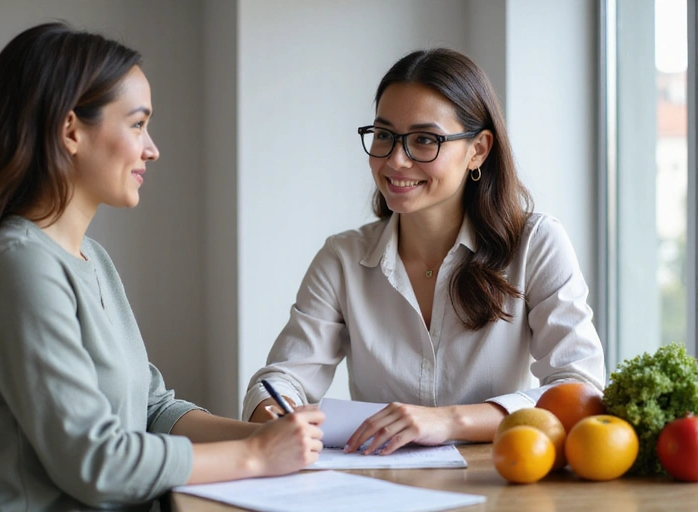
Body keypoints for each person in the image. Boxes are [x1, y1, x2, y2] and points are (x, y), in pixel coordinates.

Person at [0, 22, 323, 511]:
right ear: (70, 130)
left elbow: (152, 407)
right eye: (137, 124)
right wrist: (253, 456)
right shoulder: (19, 268)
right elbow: (96, 463)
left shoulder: (92, 259)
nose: (151, 148)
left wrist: (267, 435)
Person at [243, 48, 605, 456]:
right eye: (384, 135)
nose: (396, 160)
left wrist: (449, 420)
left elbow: (580, 391)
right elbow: (281, 379)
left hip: (500, 478)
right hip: (378, 486)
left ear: (479, 150)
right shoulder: (343, 259)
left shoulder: (535, 244)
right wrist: (275, 413)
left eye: (424, 140)